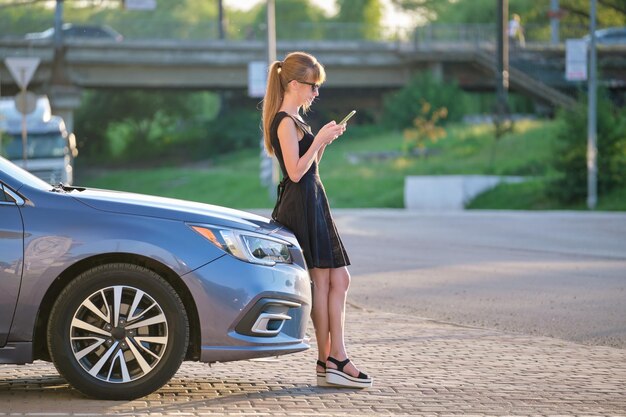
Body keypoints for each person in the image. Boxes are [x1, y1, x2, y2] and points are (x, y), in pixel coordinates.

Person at [261, 51, 372, 389]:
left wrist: (323, 143)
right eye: (313, 86)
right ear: (294, 84)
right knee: (322, 283)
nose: (316, 93)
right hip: (302, 202)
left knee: (339, 280)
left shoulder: (296, 120)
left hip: (312, 199)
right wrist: (318, 141)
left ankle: (330, 360)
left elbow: (308, 166)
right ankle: (332, 360)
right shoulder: (283, 120)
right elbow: (294, 172)